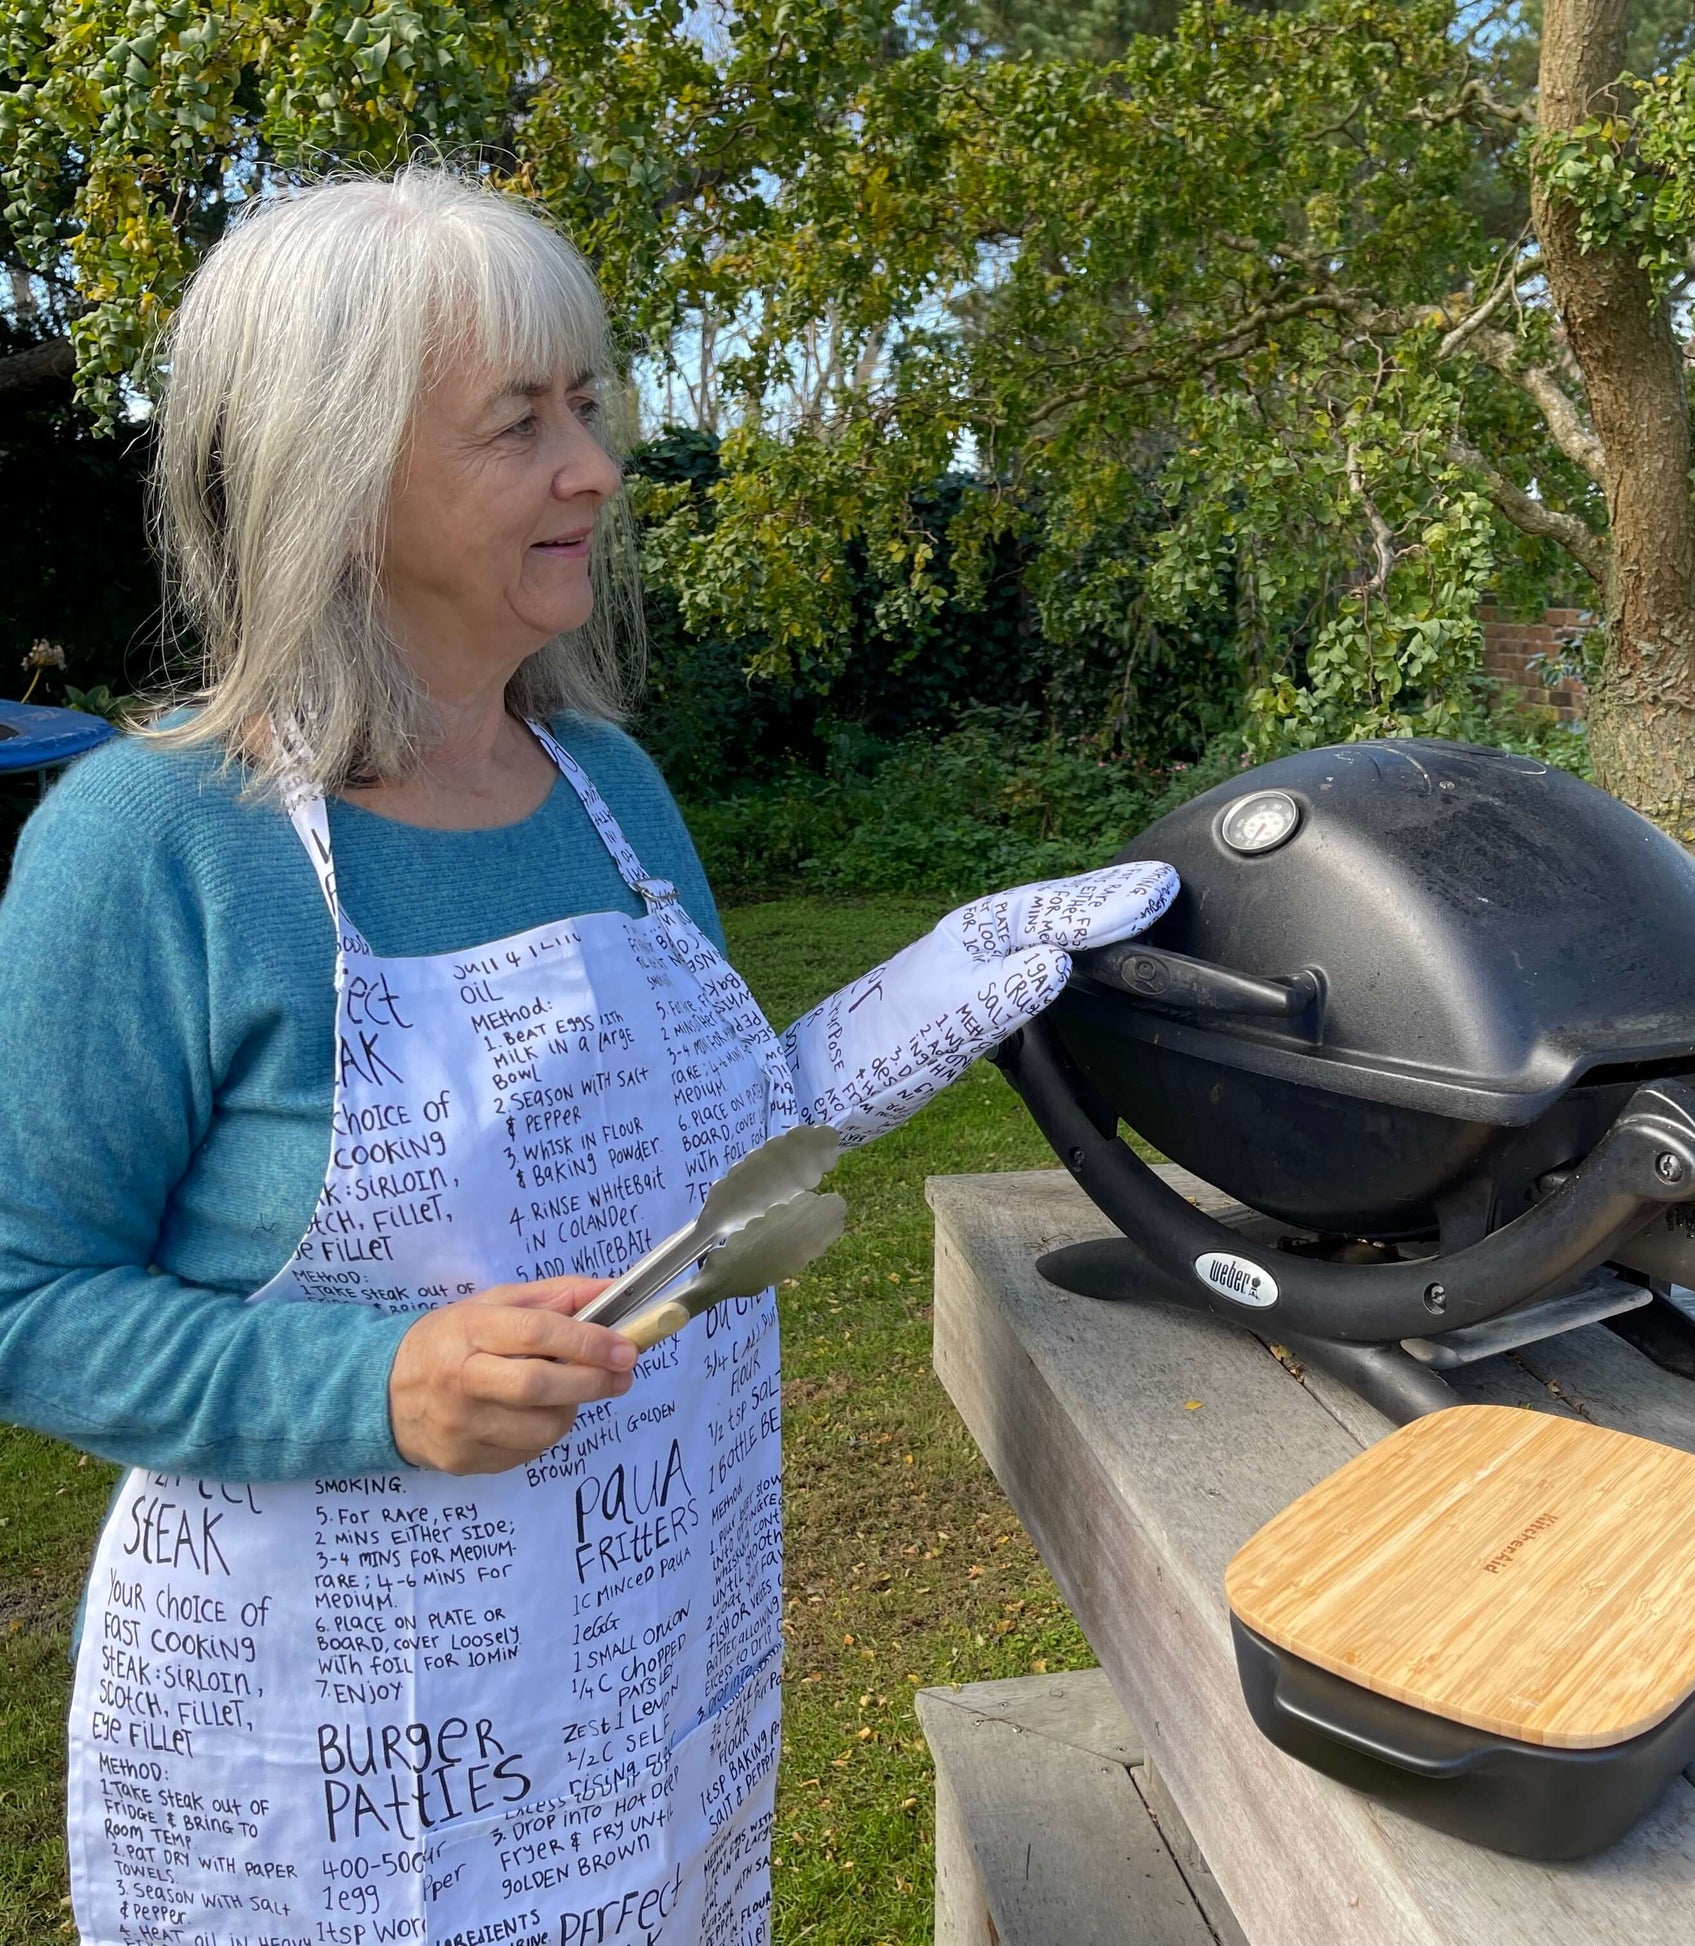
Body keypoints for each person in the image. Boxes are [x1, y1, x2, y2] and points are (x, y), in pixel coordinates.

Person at [0, 168, 1175, 1946]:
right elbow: (26, 1292)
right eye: (519, 423)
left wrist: (942, 985)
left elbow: (680, 1152)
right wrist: (375, 1385)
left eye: (587, 406)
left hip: (642, 1666)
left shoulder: (610, 790)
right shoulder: (154, 842)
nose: (595, 469)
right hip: (330, 1747)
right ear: (340, 466)